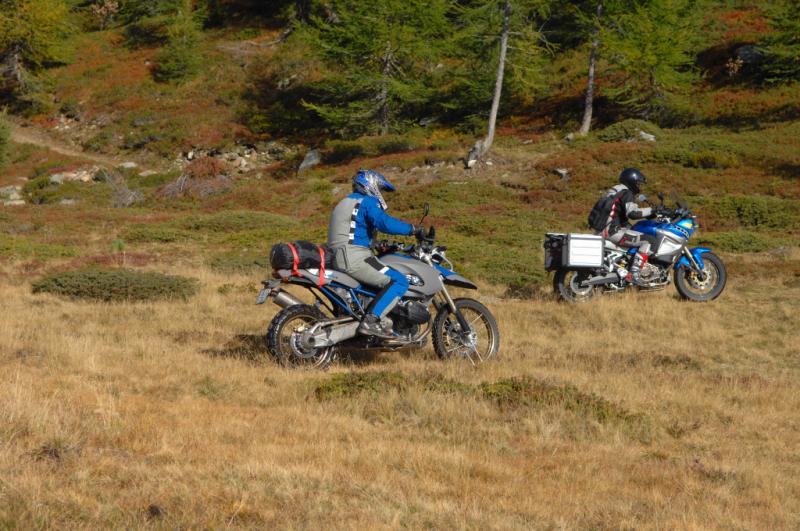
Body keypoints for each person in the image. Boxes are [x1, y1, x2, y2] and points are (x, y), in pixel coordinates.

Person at [327, 169, 425, 338]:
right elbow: (384, 222)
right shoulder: (367, 201)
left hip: (339, 256)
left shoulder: (345, 202)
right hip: (355, 257)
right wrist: (413, 229)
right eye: (380, 188)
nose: (381, 193)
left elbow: (352, 232)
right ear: (371, 184)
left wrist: (377, 244)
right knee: (399, 280)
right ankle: (371, 321)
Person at [589, 167, 655, 285]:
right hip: (612, 232)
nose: (638, 187)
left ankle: (624, 267)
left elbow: (619, 215)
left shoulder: (615, 190)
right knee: (647, 240)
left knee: (633, 231)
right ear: (632, 181)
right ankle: (635, 274)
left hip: (603, 230)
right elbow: (633, 213)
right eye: (638, 183)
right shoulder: (626, 192)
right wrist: (652, 210)